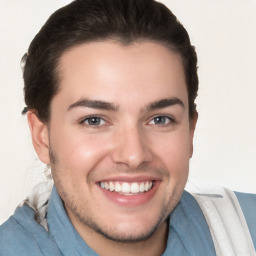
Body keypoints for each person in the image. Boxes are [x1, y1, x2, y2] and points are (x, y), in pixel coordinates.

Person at [0, 0, 255, 255]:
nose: (133, 156)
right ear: (42, 137)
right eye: (94, 120)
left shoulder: (248, 231)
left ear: (190, 131)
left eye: (160, 119)